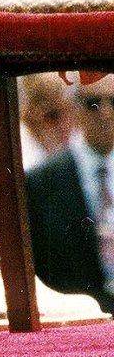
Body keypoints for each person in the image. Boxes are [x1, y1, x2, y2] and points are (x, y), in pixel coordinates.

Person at [25, 72, 114, 312]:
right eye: (93, 103)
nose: (105, 113)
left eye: (113, 102)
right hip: (73, 321)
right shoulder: (40, 181)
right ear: (74, 109)